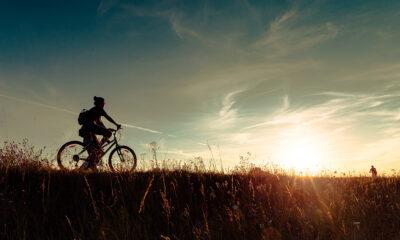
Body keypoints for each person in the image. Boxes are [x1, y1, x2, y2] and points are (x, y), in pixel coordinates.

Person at [79, 96, 121, 169]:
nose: (104, 104)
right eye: (104, 103)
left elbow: (99, 124)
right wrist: (116, 124)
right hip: (89, 128)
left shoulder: (95, 111)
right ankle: (99, 147)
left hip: (87, 130)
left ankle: (87, 168)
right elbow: (108, 117)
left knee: (97, 152)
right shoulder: (99, 109)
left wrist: (106, 131)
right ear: (101, 103)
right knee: (109, 134)